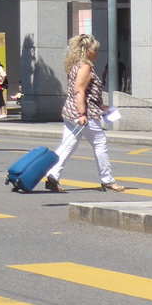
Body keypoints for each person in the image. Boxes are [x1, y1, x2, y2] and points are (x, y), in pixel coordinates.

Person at [44, 33, 125, 193]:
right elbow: (79, 91)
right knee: (100, 144)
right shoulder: (85, 66)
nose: (97, 53)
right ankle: (107, 180)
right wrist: (82, 114)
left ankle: (53, 176)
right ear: (87, 51)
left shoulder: (75, 65)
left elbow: (87, 92)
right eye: (95, 50)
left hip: (71, 111)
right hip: (82, 112)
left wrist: (103, 107)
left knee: (68, 145)